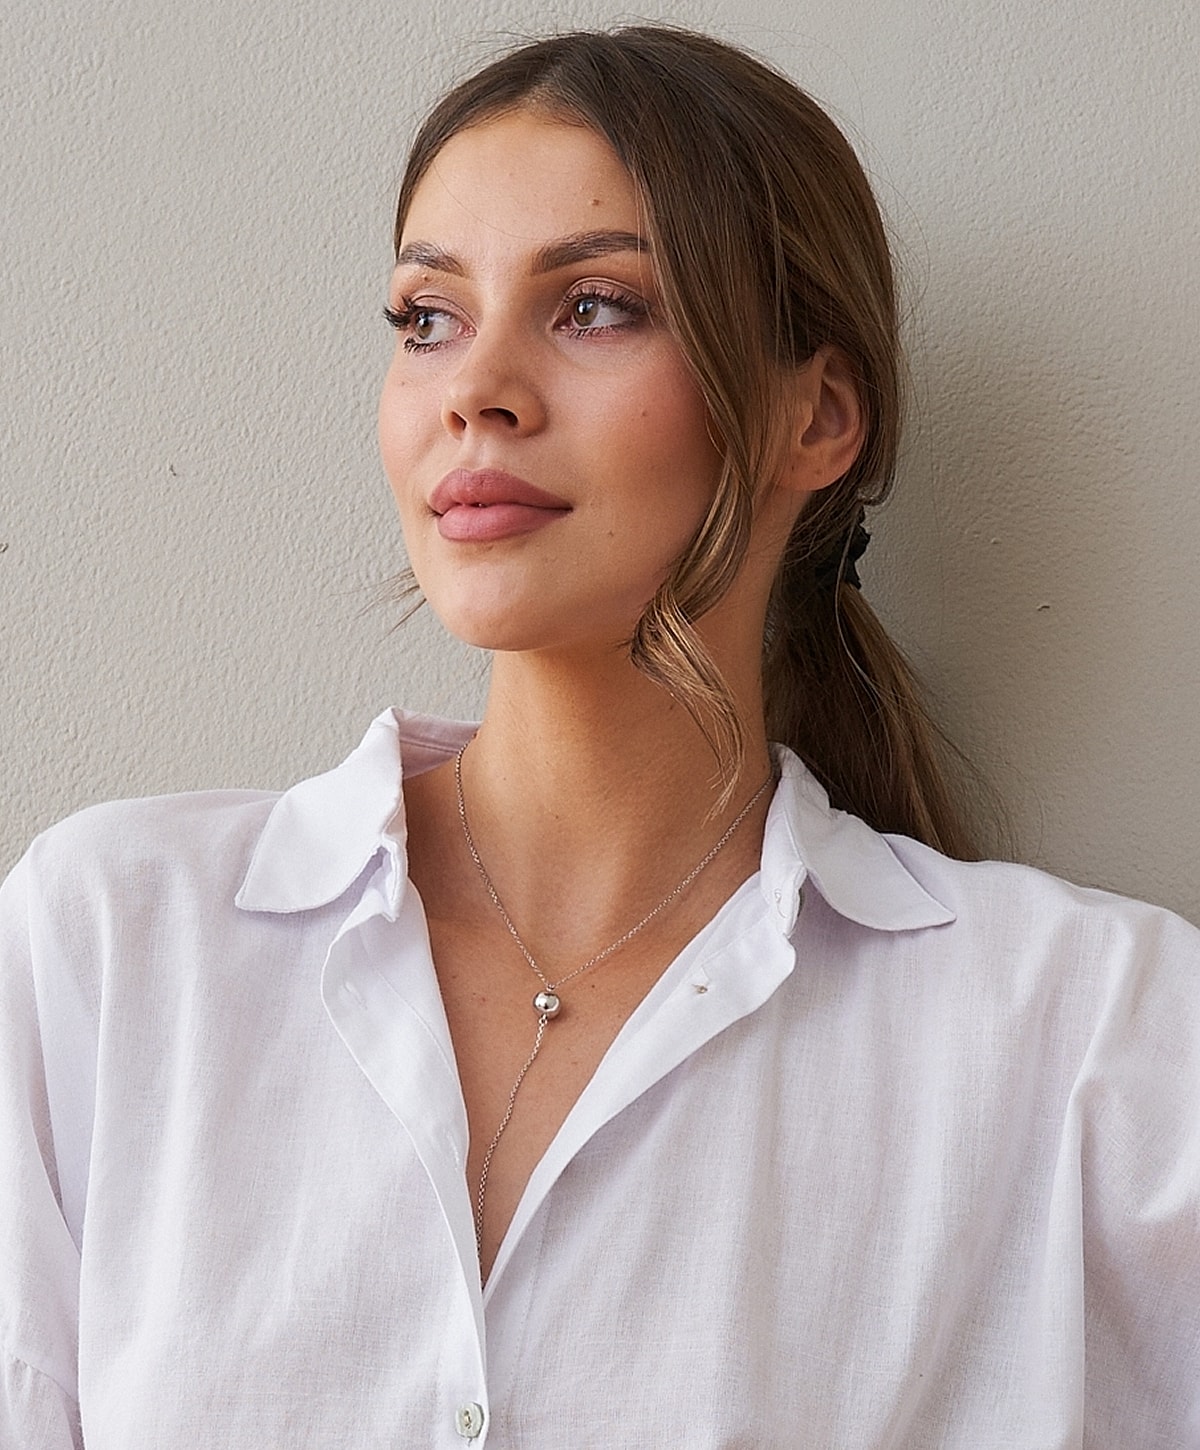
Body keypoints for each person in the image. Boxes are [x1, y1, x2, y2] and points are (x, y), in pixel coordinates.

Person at [2, 24, 1198, 1449]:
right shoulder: (114, 948)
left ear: (814, 416)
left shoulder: (1097, 1042)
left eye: (595, 307)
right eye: (427, 316)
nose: (475, 388)